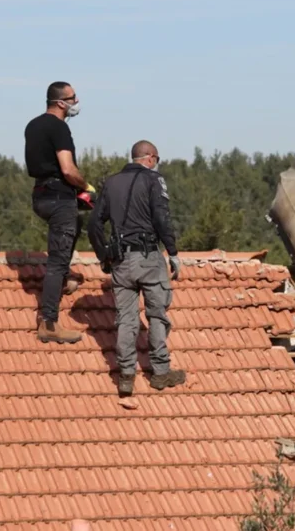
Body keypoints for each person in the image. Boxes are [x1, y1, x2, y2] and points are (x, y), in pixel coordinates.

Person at [87, 140, 186, 396]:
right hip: (149, 257)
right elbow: (162, 218)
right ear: (151, 157)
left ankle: (126, 377)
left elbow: (94, 224)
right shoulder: (154, 181)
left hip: (121, 261)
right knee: (156, 315)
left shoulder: (110, 183)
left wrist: (104, 256)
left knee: (126, 320)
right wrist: (172, 252)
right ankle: (160, 373)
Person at [25, 81, 94, 344]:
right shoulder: (59, 127)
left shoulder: (33, 125)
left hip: (40, 195)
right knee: (56, 260)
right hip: (58, 197)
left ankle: (64, 280)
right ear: (60, 102)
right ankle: (49, 324)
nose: (76, 102)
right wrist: (86, 186)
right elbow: (68, 169)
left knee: (72, 229)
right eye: (73, 98)